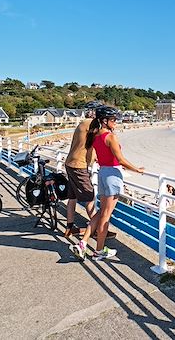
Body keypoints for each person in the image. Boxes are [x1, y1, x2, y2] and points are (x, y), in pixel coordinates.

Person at [70, 105, 144, 261]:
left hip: (102, 173)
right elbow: (121, 160)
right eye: (113, 119)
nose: (116, 122)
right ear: (104, 121)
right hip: (112, 175)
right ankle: (99, 251)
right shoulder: (110, 137)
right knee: (106, 215)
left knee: (100, 212)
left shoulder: (95, 135)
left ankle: (83, 243)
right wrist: (137, 169)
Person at [63, 101, 116, 240]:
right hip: (79, 165)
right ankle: (99, 229)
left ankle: (69, 227)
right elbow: (104, 139)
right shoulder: (91, 124)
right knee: (89, 197)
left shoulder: (83, 123)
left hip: (70, 163)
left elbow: (90, 144)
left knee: (72, 197)